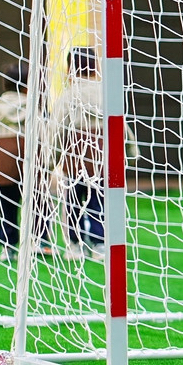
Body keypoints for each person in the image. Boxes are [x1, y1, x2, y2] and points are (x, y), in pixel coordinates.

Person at [0, 62, 55, 262]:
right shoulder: (32, 108)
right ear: (28, 85)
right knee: (38, 203)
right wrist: (48, 163)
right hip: (30, 166)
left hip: (2, 167)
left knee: (6, 207)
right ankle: (40, 241)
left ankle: (7, 247)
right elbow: (44, 136)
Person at [53, 46, 108, 260]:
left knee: (73, 202)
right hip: (101, 157)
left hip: (75, 158)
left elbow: (58, 129)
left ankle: (75, 245)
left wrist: (51, 158)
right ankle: (99, 243)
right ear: (96, 67)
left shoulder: (69, 96)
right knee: (98, 201)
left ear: (70, 69)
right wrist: (130, 150)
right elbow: (121, 124)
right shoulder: (106, 92)